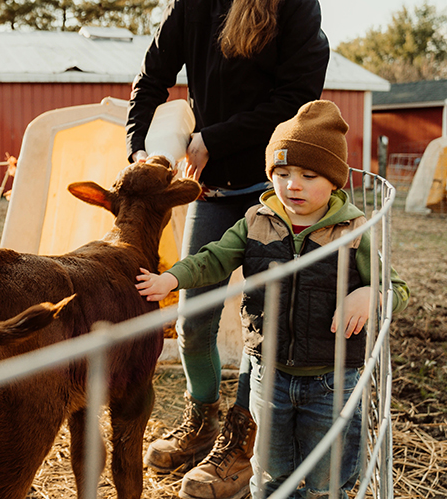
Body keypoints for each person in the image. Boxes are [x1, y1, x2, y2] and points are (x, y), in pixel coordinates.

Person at [126, 0, 331, 499]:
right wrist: (139, 147)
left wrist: (213, 136)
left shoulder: (298, 9)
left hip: (272, 193)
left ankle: (240, 445)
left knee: (262, 324)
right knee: (194, 318)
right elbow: (151, 79)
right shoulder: (192, 6)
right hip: (210, 193)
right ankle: (201, 420)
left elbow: (294, 99)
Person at [136, 100, 410, 499]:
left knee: (325, 479)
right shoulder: (256, 221)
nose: (292, 185)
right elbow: (214, 258)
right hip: (269, 377)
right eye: (281, 174)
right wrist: (171, 278)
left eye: (308, 175)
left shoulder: (353, 232)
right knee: (269, 473)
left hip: (332, 380)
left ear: (335, 180)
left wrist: (372, 294)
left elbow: (397, 288)